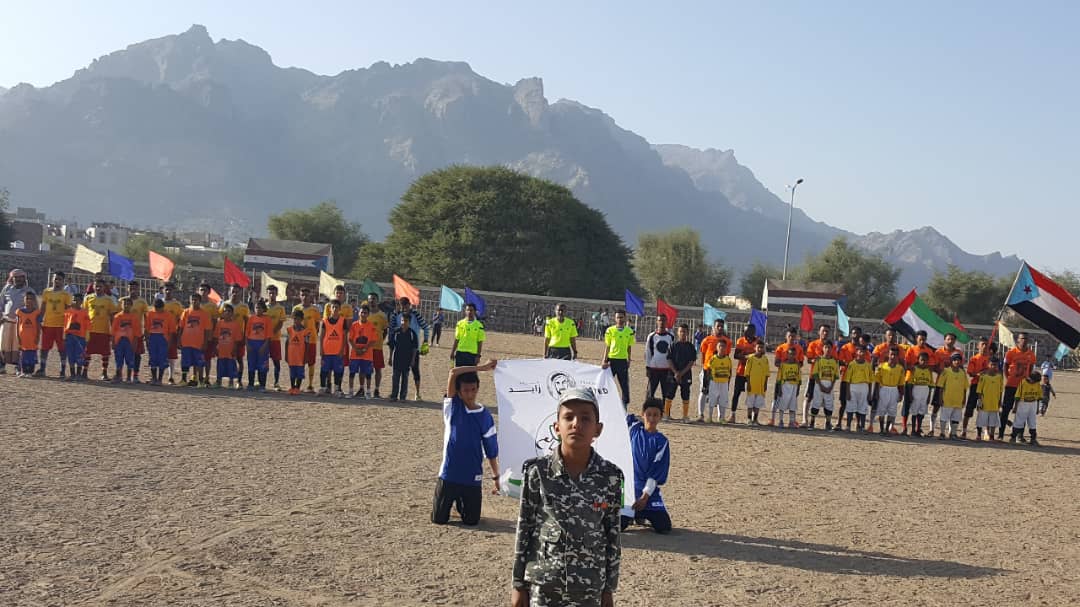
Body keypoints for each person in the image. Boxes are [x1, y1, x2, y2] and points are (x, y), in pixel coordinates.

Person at [511, 386, 622, 607]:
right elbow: (525, 528)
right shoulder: (538, 472)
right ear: (556, 427)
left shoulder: (610, 477)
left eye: (585, 418)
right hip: (544, 586)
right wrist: (518, 584)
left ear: (597, 429)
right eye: (568, 417)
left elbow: (612, 535)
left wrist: (609, 589)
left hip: (589, 588)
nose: (576, 424)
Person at [432, 360, 500, 526]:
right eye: (465, 390)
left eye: (473, 390)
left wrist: (496, 477)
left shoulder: (485, 416)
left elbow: (491, 449)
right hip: (449, 474)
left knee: (471, 521)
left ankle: (461, 503)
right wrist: (482, 368)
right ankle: (453, 500)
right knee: (439, 519)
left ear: (477, 389)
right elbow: (454, 373)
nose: (470, 394)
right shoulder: (453, 407)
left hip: (472, 476)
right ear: (459, 392)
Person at [624, 398, 672, 534]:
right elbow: (616, 410)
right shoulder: (633, 428)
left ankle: (642, 513)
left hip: (648, 494)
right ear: (643, 414)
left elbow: (655, 474)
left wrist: (644, 498)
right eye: (648, 414)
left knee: (664, 527)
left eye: (655, 415)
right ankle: (633, 515)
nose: (651, 418)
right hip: (629, 491)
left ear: (660, 417)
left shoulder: (661, 442)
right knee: (619, 525)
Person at [391, 297, 430, 400]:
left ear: (409, 304)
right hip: (399, 349)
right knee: (396, 372)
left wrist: (425, 341)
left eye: (405, 305)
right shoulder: (396, 315)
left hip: (413, 348)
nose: (404, 308)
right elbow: (392, 328)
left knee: (415, 370)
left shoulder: (416, 315)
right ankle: (394, 394)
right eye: (402, 305)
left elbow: (426, 327)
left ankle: (417, 393)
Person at [1000, 332, 1036, 439]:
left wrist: (1028, 380)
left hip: (1024, 387)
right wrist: (1008, 378)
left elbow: (1031, 368)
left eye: (1026, 338)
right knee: (1006, 409)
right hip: (1011, 385)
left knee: (1022, 411)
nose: (1024, 340)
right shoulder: (1011, 352)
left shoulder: (1031, 354)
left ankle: (1019, 435)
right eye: (1022, 338)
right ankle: (1001, 433)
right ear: (1018, 340)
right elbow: (1005, 366)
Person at [0, 269, 36, 375]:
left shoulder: (29, 291)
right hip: (6, 321)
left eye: (21, 277)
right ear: (12, 278)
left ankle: (18, 367)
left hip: (21, 324)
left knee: (18, 345)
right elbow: (1, 303)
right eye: (16, 277)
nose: (18, 279)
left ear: (24, 279)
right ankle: (1, 366)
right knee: (2, 344)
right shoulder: (7, 289)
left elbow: (34, 308)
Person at [38, 271, 73, 377]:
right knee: (44, 348)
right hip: (48, 325)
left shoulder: (66, 295)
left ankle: (62, 370)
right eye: (55, 279)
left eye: (59, 279)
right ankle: (42, 368)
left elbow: (68, 311)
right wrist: (40, 319)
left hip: (61, 326)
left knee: (62, 349)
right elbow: (43, 307)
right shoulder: (46, 292)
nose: (56, 281)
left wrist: (68, 325)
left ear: (63, 281)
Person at [697, 320, 732, 421]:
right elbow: (703, 355)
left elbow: (726, 356)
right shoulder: (707, 340)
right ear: (714, 327)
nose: (720, 328)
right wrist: (705, 368)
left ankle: (720, 417)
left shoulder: (727, 341)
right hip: (707, 370)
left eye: (721, 326)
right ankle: (701, 415)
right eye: (718, 326)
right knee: (703, 391)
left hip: (721, 372)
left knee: (720, 393)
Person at [83, 278, 118, 381]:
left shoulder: (109, 300)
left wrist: (113, 331)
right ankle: (84, 372)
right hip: (90, 330)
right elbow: (84, 314)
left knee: (105, 352)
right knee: (87, 351)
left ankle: (104, 373)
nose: (98, 288)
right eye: (96, 286)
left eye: (100, 286)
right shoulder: (88, 298)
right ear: (93, 286)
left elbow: (112, 317)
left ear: (104, 287)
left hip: (104, 330)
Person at [902, 331, 936, 434]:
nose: (922, 341)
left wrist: (925, 367)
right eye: (920, 339)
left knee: (920, 406)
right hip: (910, 380)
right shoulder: (911, 350)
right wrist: (912, 367)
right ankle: (904, 427)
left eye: (924, 339)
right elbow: (905, 364)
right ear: (916, 339)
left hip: (923, 382)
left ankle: (917, 428)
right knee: (907, 404)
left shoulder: (929, 351)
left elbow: (931, 366)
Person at [644, 314, 676, 418]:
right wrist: (648, 367)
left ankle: (665, 413)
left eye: (663, 320)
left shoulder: (671, 337)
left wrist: (673, 369)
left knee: (666, 393)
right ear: (657, 322)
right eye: (659, 320)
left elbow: (673, 353)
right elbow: (648, 352)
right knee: (650, 393)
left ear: (666, 322)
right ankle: (646, 413)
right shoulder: (652, 336)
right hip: (654, 369)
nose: (661, 322)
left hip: (666, 369)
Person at [601, 309, 635, 407]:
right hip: (611, 360)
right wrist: (604, 360)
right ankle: (604, 405)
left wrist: (629, 359)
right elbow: (607, 346)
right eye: (618, 317)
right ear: (615, 318)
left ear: (625, 318)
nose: (619, 319)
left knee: (624, 385)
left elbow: (629, 346)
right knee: (606, 383)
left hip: (622, 361)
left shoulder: (629, 331)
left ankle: (624, 407)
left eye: (621, 317)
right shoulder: (610, 330)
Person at [292, 287, 322, 393]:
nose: (304, 297)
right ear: (300, 296)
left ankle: (310, 385)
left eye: (307, 295)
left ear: (310, 297)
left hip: (311, 340)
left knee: (311, 362)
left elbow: (317, 324)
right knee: (299, 362)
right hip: (298, 341)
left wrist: (313, 334)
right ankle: (296, 384)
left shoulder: (315, 309)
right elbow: (294, 325)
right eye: (302, 295)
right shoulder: (296, 308)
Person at [961, 338, 991, 439]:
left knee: (984, 409)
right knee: (970, 408)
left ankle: (985, 432)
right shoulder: (974, 359)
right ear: (978, 346)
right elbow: (970, 373)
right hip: (976, 385)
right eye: (982, 344)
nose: (984, 346)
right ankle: (964, 430)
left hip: (986, 387)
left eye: (986, 344)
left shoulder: (990, 359)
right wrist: (978, 374)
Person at [179, 293, 211, 387]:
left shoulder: (204, 314)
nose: (194, 301)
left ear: (200, 301)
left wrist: (205, 342)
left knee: (199, 362)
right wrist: (179, 339)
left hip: (198, 343)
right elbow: (181, 327)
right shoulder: (186, 312)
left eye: (196, 300)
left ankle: (200, 380)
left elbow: (207, 330)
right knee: (185, 361)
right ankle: (184, 379)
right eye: (192, 299)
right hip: (186, 342)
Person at [872, 347, 905, 436]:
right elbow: (877, 381)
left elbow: (901, 383)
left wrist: (901, 394)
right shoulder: (882, 366)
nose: (893, 356)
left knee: (892, 410)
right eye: (891, 354)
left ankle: (887, 429)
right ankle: (882, 429)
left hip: (894, 390)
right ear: (888, 355)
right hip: (884, 389)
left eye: (895, 355)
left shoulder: (900, 369)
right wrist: (876, 393)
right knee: (881, 410)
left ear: (897, 356)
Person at [802, 325, 831, 426]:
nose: (825, 333)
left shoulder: (832, 346)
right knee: (808, 397)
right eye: (823, 331)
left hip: (826, 378)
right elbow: (809, 360)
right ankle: (805, 420)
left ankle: (827, 422)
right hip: (814, 376)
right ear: (819, 332)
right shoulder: (813, 344)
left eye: (827, 331)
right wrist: (815, 360)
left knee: (826, 399)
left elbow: (835, 359)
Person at [222, 285, 250, 387]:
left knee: (239, 359)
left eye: (237, 291)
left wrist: (244, 336)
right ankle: (229, 380)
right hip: (226, 338)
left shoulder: (244, 307)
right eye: (233, 291)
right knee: (227, 358)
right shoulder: (225, 304)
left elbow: (247, 322)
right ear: (229, 292)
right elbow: (221, 319)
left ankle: (239, 380)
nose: (235, 293)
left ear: (240, 293)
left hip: (239, 338)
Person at [318, 299, 348, 397]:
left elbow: (344, 337)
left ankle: (336, 389)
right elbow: (322, 336)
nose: (335, 309)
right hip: (326, 351)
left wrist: (342, 350)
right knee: (324, 370)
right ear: (330, 309)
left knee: (338, 371)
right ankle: (322, 388)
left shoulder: (343, 321)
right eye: (333, 307)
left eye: (337, 307)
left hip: (337, 352)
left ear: (340, 309)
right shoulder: (325, 321)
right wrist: (321, 349)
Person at [348, 305, 379, 398]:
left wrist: (365, 349)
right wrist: (356, 349)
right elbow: (350, 339)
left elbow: (373, 340)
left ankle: (368, 392)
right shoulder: (354, 325)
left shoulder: (371, 326)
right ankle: (350, 391)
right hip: (355, 354)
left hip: (367, 354)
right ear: (358, 313)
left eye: (365, 313)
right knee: (352, 373)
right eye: (362, 312)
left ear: (368, 314)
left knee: (368, 374)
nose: (363, 314)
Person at [668, 324, 697, 421]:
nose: (682, 333)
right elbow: (669, 359)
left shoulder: (691, 347)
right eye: (681, 331)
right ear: (677, 332)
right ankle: (666, 414)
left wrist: (681, 373)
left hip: (686, 374)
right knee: (670, 393)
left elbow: (691, 361)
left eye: (684, 332)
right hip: (673, 374)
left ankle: (685, 416)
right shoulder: (673, 345)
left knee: (685, 394)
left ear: (688, 333)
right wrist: (676, 372)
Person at [730, 324, 759, 421]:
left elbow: (759, 355)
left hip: (753, 373)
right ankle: (733, 415)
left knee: (752, 394)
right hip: (741, 371)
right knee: (736, 393)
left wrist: (748, 356)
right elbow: (736, 355)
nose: (749, 334)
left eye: (751, 331)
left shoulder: (758, 342)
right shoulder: (740, 341)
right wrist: (747, 357)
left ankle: (751, 418)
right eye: (747, 332)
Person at [936, 353, 968, 440]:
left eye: (958, 360)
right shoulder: (946, 371)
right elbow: (941, 386)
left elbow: (965, 388)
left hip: (958, 400)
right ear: (951, 361)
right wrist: (940, 398)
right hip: (947, 399)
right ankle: (942, 433)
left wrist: (964, 398)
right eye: (955, 360)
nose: (957, 362)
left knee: (955, 418)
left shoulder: (962, 373)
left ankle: (953, 434)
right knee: (944, 417)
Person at [808, 340, 839, 430]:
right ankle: (812, 422)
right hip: (819, 384)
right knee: (816, 403)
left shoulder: (834, 362)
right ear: (823, 348)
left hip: (829, 384)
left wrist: (831, 386)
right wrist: (821, 385)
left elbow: (835, 376)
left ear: (832, 349)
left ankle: (828, 423)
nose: (827, 349)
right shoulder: (819, 360)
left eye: (829, 347)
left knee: (829, 404)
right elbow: (815, 374)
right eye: (826, 347)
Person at [144, 298, 176, 385]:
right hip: (153, 337)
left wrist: (169, 342)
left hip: (163, 338)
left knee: (162, 359)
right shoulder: (150, 314)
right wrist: (147, 340)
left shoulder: (168, 315)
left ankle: (160, 379)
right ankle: (154, 378)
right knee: (153, 358)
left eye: (159, 308)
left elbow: (172, 331)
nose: (158, 310)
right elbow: (146, 328)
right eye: (156, 308)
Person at [835, 326, 862, 425]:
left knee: (858, 403)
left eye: (858, 333)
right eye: (854, 333)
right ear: (851, 334)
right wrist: (849, 364)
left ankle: (859, 424)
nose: (855, 335)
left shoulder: (863, 349)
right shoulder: (845, 347)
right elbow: (840, 361)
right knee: (843, 402)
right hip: (846, 378)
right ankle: (839, 422)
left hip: (858, 380)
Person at [842, 345, 873, 432]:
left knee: (862, 407)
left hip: (864, 387)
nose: (862, 353)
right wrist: (848, 392)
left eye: (863, 351)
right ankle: (848, 426)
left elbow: (870, 380)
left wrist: (869, 393)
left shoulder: (868, 365)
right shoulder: (852, 364)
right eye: (860, 351)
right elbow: (848, 379)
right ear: (856, 352)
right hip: (853, 387)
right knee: (850, 407)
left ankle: (862, 427)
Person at [389, 315, 419, 401]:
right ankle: (394, 395)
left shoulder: (412, 333)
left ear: (409, 322)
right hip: (397, 358)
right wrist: (390, 357)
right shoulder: (396, 332)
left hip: (407, 359)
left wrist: (413, 359)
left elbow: (415, 348)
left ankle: (403, 396)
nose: (403, 322)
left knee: (405, 378)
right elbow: (391, 346)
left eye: (405, 321)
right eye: (402, 320)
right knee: (395, 377)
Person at [701, 341, 732, 423]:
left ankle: (722, 418)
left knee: (723, 400)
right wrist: (708, 382)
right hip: (714, 382)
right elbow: (708, 370)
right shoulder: (713, 359)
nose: (722, 348)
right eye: (720, 346)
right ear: (717, 348)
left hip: (724, 382)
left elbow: (730, 371)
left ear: (726, 348)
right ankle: (710, 417)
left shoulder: (728, 359)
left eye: (723, 346)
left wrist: (728, 382)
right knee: (712, 399)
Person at [161, 282, 185, 384]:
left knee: (171, 355)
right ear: (162, 290)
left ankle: (171, 377)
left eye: (170, 289)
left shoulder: (177, 305)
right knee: (160, 355)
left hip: (172, 334)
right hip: (160, 333)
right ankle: (159, 376)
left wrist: (179, 334)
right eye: (166, 289)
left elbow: (181, 320)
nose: (168, 291)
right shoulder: (159, 303)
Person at [110, 297, 138, 383]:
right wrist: (113, 342)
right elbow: (113, 330)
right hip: (119, 341)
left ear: (131, 306)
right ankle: (119, 376)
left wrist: (135, 343)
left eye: (128, 304)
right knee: (119, 359)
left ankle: (129, 377)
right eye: (124, 304)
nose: (126, 306)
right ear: (121, 305)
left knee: (129, 359)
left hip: (129, 341)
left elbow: (137, 331)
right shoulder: (117, 316)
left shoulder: (134, 317)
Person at [264, 284, 288, 391]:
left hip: (275, 339)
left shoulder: (280, 308)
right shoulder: (263, 307)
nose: (271, 295)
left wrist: (272, 332)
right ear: (267, 293)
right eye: (270, 292)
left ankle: (276, 382)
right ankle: (262, 381)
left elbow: (281, 323)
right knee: (263, 361)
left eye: (273, 293)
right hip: (264, 339)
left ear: (277, 294)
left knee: (276, 361)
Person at [1011, 370, 1043, 446]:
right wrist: (1015, 407)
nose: (1035, 383)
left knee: (1032, 421)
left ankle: (1033, 439)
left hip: (1033, 404)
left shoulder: (1037, 384)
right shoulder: (1023, 383)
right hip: (1023, 403)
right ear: (1030, 378)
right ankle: (1013, 437)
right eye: (1034, 381)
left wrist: (1037, 408)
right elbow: (1017, 396)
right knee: (1019, 420)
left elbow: (1039, 397)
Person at [245, 300, 272, 391]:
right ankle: (251, 384)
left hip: (262, 343)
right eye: (256, 308)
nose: (258, 310)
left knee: (262, 366)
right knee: (251, 364)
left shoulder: (267, 319)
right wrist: (247, 345)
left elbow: (268, 335)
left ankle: (262, 385)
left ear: (263, 309)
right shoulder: (251, 319)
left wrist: (265, 346)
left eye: (260, 308)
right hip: (252, 343)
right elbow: (247, 333)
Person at [214, 304, 242, 389]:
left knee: (231, 366)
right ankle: (218, 381)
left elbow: (237, 339)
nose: (227, 313)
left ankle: (231, 382)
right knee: (220, 366)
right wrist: (216, 348)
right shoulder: (219, 323)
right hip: (221, 349)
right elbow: (215, 337)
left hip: (230, 350)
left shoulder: (235, 324)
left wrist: (235, 349)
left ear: (232, 313)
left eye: (229, 311)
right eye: (225, 311)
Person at [366, 293, 389, 398]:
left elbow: (385, 330)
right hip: (366, 347)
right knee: (367, 369)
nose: (372, 301)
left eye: (374, 299)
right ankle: (367, 389)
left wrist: (381, 339)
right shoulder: (365, 314)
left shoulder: (382, 315)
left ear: (377, 300)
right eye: (370, 299)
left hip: (377, 347)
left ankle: (377, 389)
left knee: (378, 369)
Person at [907, 352, 935, 437]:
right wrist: (911, 395)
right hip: (916, 389)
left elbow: (930, 385)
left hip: (925, 390)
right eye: (922, 360)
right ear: (918, 360)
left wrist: (929, 396)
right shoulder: (915, 369)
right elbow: (911, 383)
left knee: (922, 411)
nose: (924, 362)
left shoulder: (929, 371)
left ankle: (918, 429)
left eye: (926, 360)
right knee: (914, 410)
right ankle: (913, 430)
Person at [772, 347, 801, 428]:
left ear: (795, 355)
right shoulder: (783, 365)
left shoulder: (797, 365)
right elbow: (779, 378)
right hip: (785, 385)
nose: (792, 355)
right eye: (790, 354)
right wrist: (780, 389)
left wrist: (798, 389)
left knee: (793, 405)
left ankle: (791, 422)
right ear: (787, 354)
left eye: (793, 354)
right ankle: (781, 421)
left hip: (794, 386)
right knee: (782, 404)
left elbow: (799, 379)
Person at [743, 340, 770, 426]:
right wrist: (748, 384)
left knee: (757, 404)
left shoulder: (765, 359)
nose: (760, 349)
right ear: (755, 348)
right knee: (750, 404)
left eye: (762, 347)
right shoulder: (751, 358)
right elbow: (747, 373)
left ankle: (755, 420)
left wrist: (765, 384)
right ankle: (749, 419)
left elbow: (766, 373)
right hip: (752, 385)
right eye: (758, 347)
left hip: (761, 386)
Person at [975, 359, 1003, 441]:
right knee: (981, 419)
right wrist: (979, 402)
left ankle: (992, 436)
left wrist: (999, 401)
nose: (994, 367)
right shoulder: (983, 377)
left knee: (993, 421)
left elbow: (1000, 390)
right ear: (988, 365)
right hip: (985, 402)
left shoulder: (999, 377)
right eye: (992, 365)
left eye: (995, 365)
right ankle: (979, 435)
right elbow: (979, 390)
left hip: (994, 402)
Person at [449, 302, 485, 367]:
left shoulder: (479, 326)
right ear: (465, 311)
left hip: (472, 354)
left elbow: (480, 342)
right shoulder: (459, 323)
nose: (469, 312)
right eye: (467, 310)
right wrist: (452, 352)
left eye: (471, 310)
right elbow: (457, 339)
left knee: (471, 375)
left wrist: (478, 356)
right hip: (460, 353)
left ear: (474, 312)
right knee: (458, 374)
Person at [14, 292, 42, 377]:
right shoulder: (20, 311)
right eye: (27, 299)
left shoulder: (36, 312)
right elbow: (18, 325)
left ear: (34, 301)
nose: (29, 300)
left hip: (32, 337)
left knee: (31, 354)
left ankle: (30, 372)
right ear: (24, 300)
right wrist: (17, 336)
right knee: (23, 354)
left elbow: (38, 326)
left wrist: (38, 336)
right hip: (23, 337)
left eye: (31, 299)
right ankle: (23, 371)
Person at [197, 283, 220, 381]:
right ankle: (198, 378)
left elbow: (215, 321)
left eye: (205, 290)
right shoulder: (196, 304)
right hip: (197, 336)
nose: (203, 292)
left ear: (209, 292)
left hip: (208, 336)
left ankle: (207, 377)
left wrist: (213, 335)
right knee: (198, 357)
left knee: (207, 357)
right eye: (201, 290)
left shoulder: (212, 305)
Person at [63, 293, 89, 381]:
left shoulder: (84, 312)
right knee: (70, 355)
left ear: (81, 302)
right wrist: (64, 336)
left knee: (79, 355)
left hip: (80, 337)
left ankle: (79, 374)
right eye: (74, 300)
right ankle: (72, 374)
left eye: (77, 300)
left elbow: (88, 326)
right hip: (70, 336)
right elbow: (65, 324)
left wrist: (87, 338)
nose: (75, 302)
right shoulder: (68, 311)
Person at [285, 310, 311, 395]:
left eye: (299, 319)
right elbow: (287, 343)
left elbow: (307, 344)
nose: (296, 321)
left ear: (302, 319)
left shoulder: (306, 332)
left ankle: (297, 388)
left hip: (300, 355)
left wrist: (306, 356)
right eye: (295, 319)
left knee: (299, 373)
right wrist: (286, 355)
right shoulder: (289, 330)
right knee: (292, 372)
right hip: (291, 355)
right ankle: (292, 387)